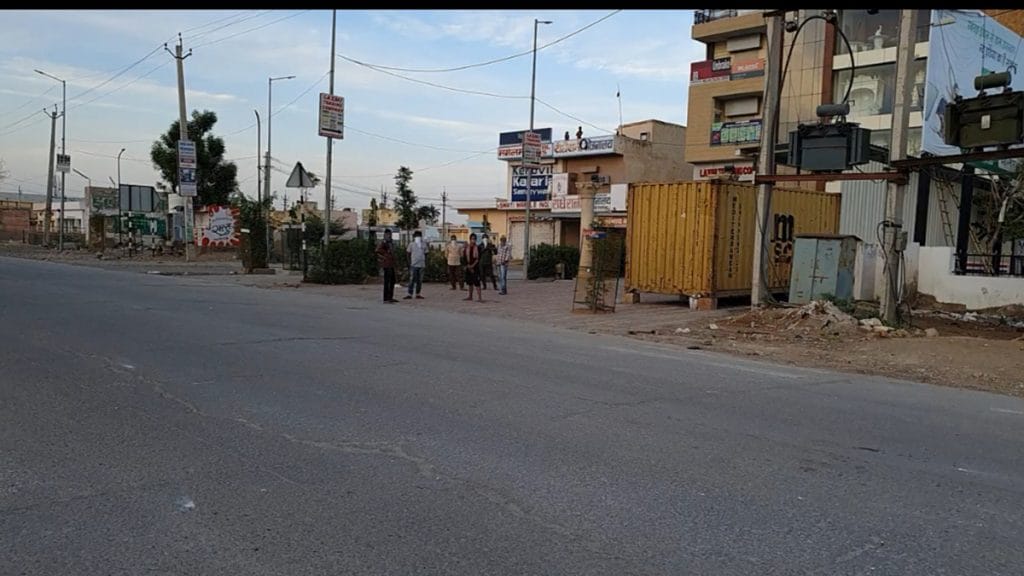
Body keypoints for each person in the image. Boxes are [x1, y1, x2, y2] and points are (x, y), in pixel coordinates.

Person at [375, 229, 398, 303]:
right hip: (386, 264)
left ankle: (390, 297)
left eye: (390, 234)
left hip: (391, 264)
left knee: (392, 281)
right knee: (387, 281)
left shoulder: (391, 242)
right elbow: (377, 250)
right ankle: (386, 298)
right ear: (385, 235)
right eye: (388, 234)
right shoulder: (384, 242)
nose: (389, 235)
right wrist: (385, 255)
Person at [404, 230, 426, 300]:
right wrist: (409, 262)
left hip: (421, 265)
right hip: (413, 264)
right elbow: (408, 253)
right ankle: (409, 294)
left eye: (419, 236)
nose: (418, 237)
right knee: (412, 280)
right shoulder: (411, 244)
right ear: (414, 237)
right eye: (417, 236)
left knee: (420, 280)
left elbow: (426, 253)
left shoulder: (424, 244)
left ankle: (418, 294)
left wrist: (425, 261)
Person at [463, 232, 483, 302]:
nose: (473, 240)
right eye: (472, 239)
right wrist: (468, 266)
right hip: (468, 267)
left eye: (474, 239)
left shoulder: (478, 248)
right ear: (470, 239)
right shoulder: (466, 248)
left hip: (475, 267)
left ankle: (479, 298)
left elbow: (478, 258)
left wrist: (472, 266)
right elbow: (464, 258)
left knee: (477, 282)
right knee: (470, 282)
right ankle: (470, 296)